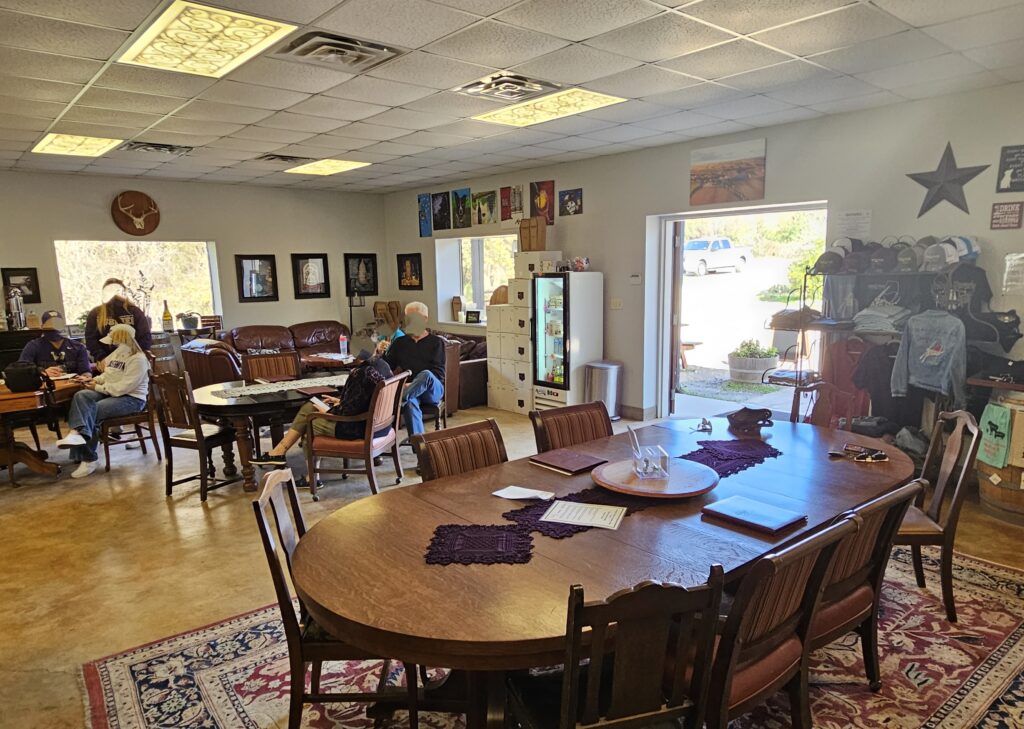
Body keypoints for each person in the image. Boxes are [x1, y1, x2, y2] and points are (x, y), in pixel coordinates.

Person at [250, 358, 393, 467]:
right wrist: (340, 402)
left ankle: (312, 478)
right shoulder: (381, 367)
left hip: (358, 429)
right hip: (381, 426)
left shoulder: (361, 374)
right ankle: (279, 451)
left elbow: (346, 414)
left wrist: (329, 410)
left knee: (309, 422)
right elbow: (368, 401)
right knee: (309, 406)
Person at [55, 324, 150, 479]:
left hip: (132, 399)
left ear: (122, 338)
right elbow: (108, 376)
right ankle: (75, 433)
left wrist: (98, 388)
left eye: (114, 340)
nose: (112, 343)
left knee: (92, 410)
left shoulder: (138, 359)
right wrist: (90, 380)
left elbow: (123, 387)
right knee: (81, 396)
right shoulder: (117, 354)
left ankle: (88, 459)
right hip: (112, 393)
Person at [383, 301, 445, 437]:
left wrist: (409, 385)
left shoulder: (436, 342)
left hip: (432, 389)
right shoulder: (399, 343)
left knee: (426, 374)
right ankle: (419, 447)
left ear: (425, 319)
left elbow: (438, 373)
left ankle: (399, 399)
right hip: (411, 392)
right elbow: (387, 367)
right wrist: (377, 354)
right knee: (410, 403)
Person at [84, 278, 152, 362]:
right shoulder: (96, 314)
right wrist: (102, 357)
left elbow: (144, 337)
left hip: (130, 360)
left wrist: (136, 356)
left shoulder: (135, 311)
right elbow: (91, 340)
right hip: (111, 360)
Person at [17, 310, 91, 377]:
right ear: (42, 327)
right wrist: (42, 372)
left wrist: (85, 377)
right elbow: (22, 369)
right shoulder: (33, 346)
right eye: (49, 326)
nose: (54, 328)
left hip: (72, 386)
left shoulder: (78, 347)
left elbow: (85, 372)